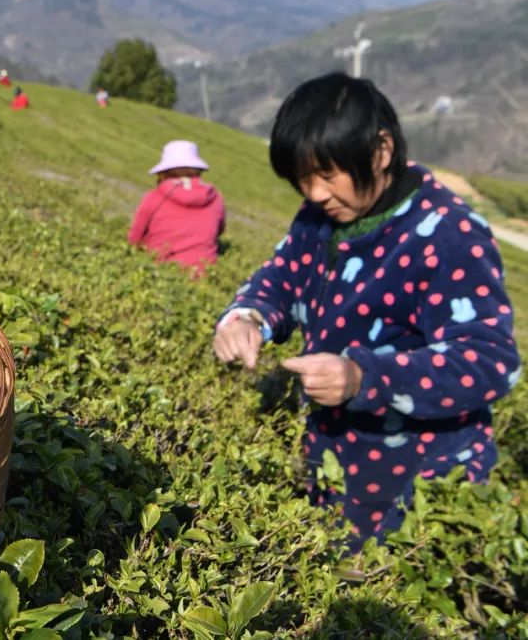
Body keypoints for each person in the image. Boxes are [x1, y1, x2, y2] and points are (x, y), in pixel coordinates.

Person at [212, 72, 521, 550]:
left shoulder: (447, 235)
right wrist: (247, 317)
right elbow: (282, 278)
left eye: (327, 174)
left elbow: (489, 362)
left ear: (380, 151)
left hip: (418, 492)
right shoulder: (319, 216)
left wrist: (363, 378)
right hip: (333, 467)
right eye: (302, 177)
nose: (314, 193)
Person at [127, 140, 225, 273]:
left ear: (164, 172)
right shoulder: (215, 198)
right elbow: (218, 232)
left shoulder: (155, 197)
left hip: (159, 270)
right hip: (204, 272)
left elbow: (134, 238)